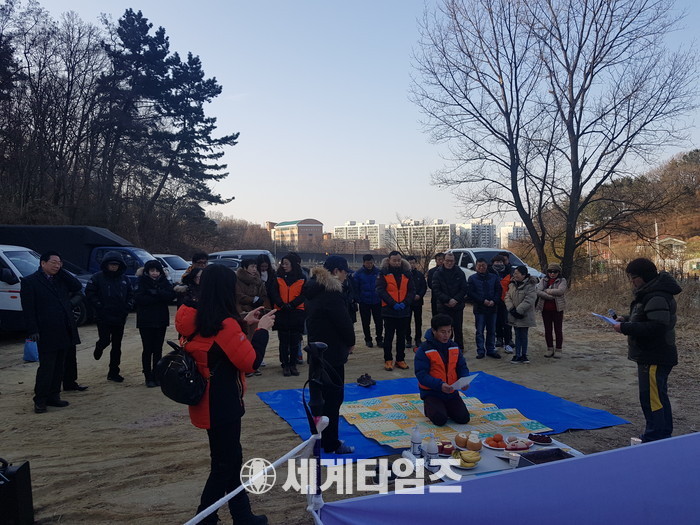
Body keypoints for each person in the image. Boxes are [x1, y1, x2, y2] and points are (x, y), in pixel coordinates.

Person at [175, 264, 275, 525]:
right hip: (222, 402)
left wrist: (243, 322)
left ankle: (242, 515)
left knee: (230, 459)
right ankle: (204, 518)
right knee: (224, 465)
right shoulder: (224, 325)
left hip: (207, 399)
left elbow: (214, 341)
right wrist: (262, 330)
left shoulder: (196, 317)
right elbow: (251, 363)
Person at [612, 258, 681, 443]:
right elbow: (645, 317)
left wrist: (625, 328)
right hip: (650, 354)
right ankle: (662, 434)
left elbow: (657, 327)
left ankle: (655, 436)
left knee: (652, 398)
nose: (631, 281)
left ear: (644, 277)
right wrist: (625, 319)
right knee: (655, 395)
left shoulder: (656, 295)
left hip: (654, 355)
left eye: (633, 277)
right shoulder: (649, 294)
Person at [303, 255, 356, 454]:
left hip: (317, 350)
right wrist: (350, 342)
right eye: (344, 272)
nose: (346, 276)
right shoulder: (331, 293)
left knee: (319, 399)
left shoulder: (313, 288)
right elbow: (343, 322)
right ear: (335, 271)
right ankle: (331, 442)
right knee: (333, 400)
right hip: (332, 352)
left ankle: (320, 438)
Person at [21, 251, 84, 413]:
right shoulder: (30, 282)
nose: (57, 265)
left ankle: (54, 396)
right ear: (43, 263)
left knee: (59, 366)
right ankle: (40, 400)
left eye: (59, 263)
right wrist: (33, 330)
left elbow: (77, 286)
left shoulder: (60, 279)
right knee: (47, 367)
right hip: (46, 330)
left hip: (64, 328)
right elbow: (28, 309)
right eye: (54, 262)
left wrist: (62, 271)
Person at [85, 251, 134, 382]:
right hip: (103, 316)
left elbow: (131, 294)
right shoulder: (97, 277)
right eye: (111, 264)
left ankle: (113, 371)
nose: (113, 266)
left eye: (116, 264)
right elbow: (89, 293)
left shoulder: (125, 279)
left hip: (120, 316)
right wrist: (98, 305)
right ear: (106, 265)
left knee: (117, 346)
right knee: (105, 340)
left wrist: (128, 306)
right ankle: (99, 346)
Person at [414, 314, 471, 426]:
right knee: (440, 420)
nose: (446, 335)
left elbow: (462, 366)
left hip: (451, 391)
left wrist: (464, 379)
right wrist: (440, 385)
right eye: (443, 332)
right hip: (432, 392)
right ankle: (430, 407)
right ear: (434, 331)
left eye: (449, 331)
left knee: (463, 418)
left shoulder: (454, 347)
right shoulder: (424, 349)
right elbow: (421, 375)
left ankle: (445, 407)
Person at [135, 260, 176, 387]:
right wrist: (157, 297)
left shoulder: (164, 281)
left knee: (158, 349)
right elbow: (139, 298)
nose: (155, 273)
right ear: (147, 271)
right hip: (145, 320)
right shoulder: (141, 281)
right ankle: (148, 376)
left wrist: (156, 293)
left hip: (161, 320)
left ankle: (157, 375)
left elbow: (171, 296)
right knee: (148, 349)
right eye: (152, 270)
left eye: (157, 270)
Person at [376, 251, 414, 371]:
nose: (397, 262)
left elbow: (412, 291)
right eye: (394, 260)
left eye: (398, 260)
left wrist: (405, 303)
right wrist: (393, 304)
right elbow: (380, 290)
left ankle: (400, 359)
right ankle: (388, 359)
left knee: (401, 337)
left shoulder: (407, 274)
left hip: (404, 311)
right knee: (388, 337)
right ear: (389, 260)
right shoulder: (383, 273)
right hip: (389, 311)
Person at [271, 253, 306, 376]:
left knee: (295, 340)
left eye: (286, 264)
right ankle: (285, 364)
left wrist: (292, 304)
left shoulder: (302, 278)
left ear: (293, 264)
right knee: (283, 340)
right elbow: (274, 292)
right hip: (282, 311)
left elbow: (304, 294)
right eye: (283, 263)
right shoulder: (277, 277)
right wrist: (281, 304)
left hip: (296, 311)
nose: (284, 266)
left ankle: (293, 364)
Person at [431, 252, 468, 351]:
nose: (449, 263)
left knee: (458, 328)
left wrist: (455, 300)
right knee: (445, 329)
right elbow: (436, 289)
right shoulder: (437, 273)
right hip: (444, 306)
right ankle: (445, 348)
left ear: (454, 261)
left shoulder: (460, 272)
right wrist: (447, 300)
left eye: (451, 261)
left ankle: (459, 348)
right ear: (443, 261)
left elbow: (464, 288)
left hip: (457, 305)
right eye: (447, 261)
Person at [467, 258, 502, 359]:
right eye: (479, 266)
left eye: (483, 265)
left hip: (492, 308)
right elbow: (471, 293)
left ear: (487, 266)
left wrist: (494, 301)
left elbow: (498, 290)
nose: (481, 267)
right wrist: (482, 301)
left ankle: (490, 349)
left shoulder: (494, 277)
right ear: (476, 267)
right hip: (479, 308)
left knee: (491, 331)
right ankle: (480, 350)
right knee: (479, 331)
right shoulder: (472, 278)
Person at [505, 265, 538, 364]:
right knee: (517, 334)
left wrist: (519, 310)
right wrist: (511, 309)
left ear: (523, 275)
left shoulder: (530, 285)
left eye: (517, 273)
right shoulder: (512, 284)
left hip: (525, 315)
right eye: (514, 273)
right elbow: (507, 297)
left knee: (523, 335)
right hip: (513, 314)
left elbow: (530, 299)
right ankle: (517, 355)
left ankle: (524, 355)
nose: (515, 275)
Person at [536, 263, 568, 358]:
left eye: (555, 272)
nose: (552, 274)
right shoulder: (544, 280)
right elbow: (538, 291)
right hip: (545, 309)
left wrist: (546, 291)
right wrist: (549, 296)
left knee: (558, 330)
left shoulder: (562, 280)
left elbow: (560, 291)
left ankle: (558, 349)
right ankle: (549, 348)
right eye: (550, 271)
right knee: (547, 330)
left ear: (559, 272)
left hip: (557, 309)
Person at [353, 254, 383, 348]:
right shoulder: (358, 274)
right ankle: (368, 339)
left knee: (379, 322)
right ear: (364, 263)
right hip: (364, 302)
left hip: (377, 301)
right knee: (366, 322)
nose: (369, 265)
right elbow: (355, 288)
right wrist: (359, 299)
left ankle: (379, 339)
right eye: (367, 263)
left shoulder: (379, 272)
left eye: (371, 263)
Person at [490, 255, 514, 353]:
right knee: (496, 322)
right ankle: (499, 338)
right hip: (495, 300)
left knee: (507, 322)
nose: (499, 263)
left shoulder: (509, 272)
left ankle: (508, 341)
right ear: (493, 262)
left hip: (506, 300)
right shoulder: (490, 272)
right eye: (497, 262)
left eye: (500, 262)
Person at [406, 256, 427, 348]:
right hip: (408, 302)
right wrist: (410, 297)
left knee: (418, 321)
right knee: (407, 321)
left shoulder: (419, 275)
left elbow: (424, 287)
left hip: (418, 302)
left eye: (413, 263)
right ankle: (408, 339)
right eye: (410, 263)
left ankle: (418, 339)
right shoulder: (404, 275)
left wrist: (419, 295)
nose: (412, 265)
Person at [427, 252, 445, 317]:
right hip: (435, 297)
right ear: (436, 260)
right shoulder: (431, 271)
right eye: (439, 259)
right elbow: (430, 284)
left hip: (446, 297)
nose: (441, 261)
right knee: (436, 317)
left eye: (442, 259)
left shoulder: (449, 270)